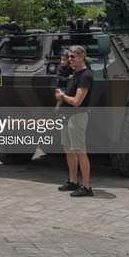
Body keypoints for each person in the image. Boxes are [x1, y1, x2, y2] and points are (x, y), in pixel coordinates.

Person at [54, 45, 94, 197]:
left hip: (77, 116)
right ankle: (73, 181)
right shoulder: (75, 74)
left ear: (81, 57)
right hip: (67, 116)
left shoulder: (85, 76)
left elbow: (77, 101)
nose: (69, 59)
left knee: (80, 151)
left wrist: (62, 97)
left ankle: (87, 186)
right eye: (68, 56)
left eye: (72, 57)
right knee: (69, 150)